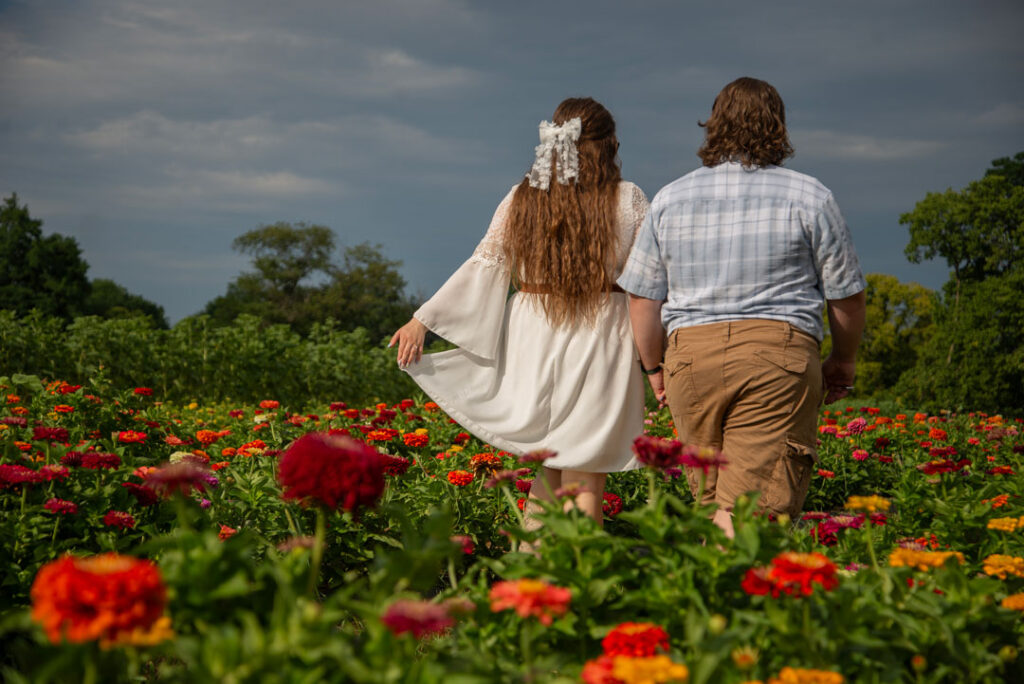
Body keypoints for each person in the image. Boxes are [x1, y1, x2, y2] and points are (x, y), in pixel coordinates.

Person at [618, 77, 867, 538]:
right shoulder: (811, 196)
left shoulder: (671, 198)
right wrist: (844, 361)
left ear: (713, 126)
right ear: (778, 127)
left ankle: (705, 602)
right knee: (752, 512)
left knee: (713, 504)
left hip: (691, 359)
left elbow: (642, 298)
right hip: (775, 357)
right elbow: (846, 295)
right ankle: (731, 604)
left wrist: (654, 369)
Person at [389, 97, 650, 529]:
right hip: (603, 330)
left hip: (535, 330)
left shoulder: (521, 198)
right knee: (584, 474)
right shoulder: (628, 198)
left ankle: (528, 573)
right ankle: (577, 585)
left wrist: (424, 319)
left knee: (550, 467)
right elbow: (647, 281)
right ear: (607, 144)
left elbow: (485, 263)